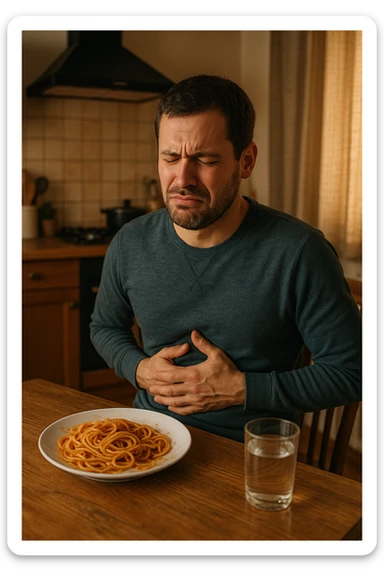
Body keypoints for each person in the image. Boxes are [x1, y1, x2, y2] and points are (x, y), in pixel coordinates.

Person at [90, 74, 362, 442]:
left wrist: (240, 389)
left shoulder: (300, 252)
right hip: (149, 437)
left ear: (246, 161)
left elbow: (352, 373)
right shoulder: (130, 242)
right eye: (170, 157)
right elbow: (104, 327)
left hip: (251, 453)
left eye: (204, 159)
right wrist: (140, 370)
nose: (181, 178)